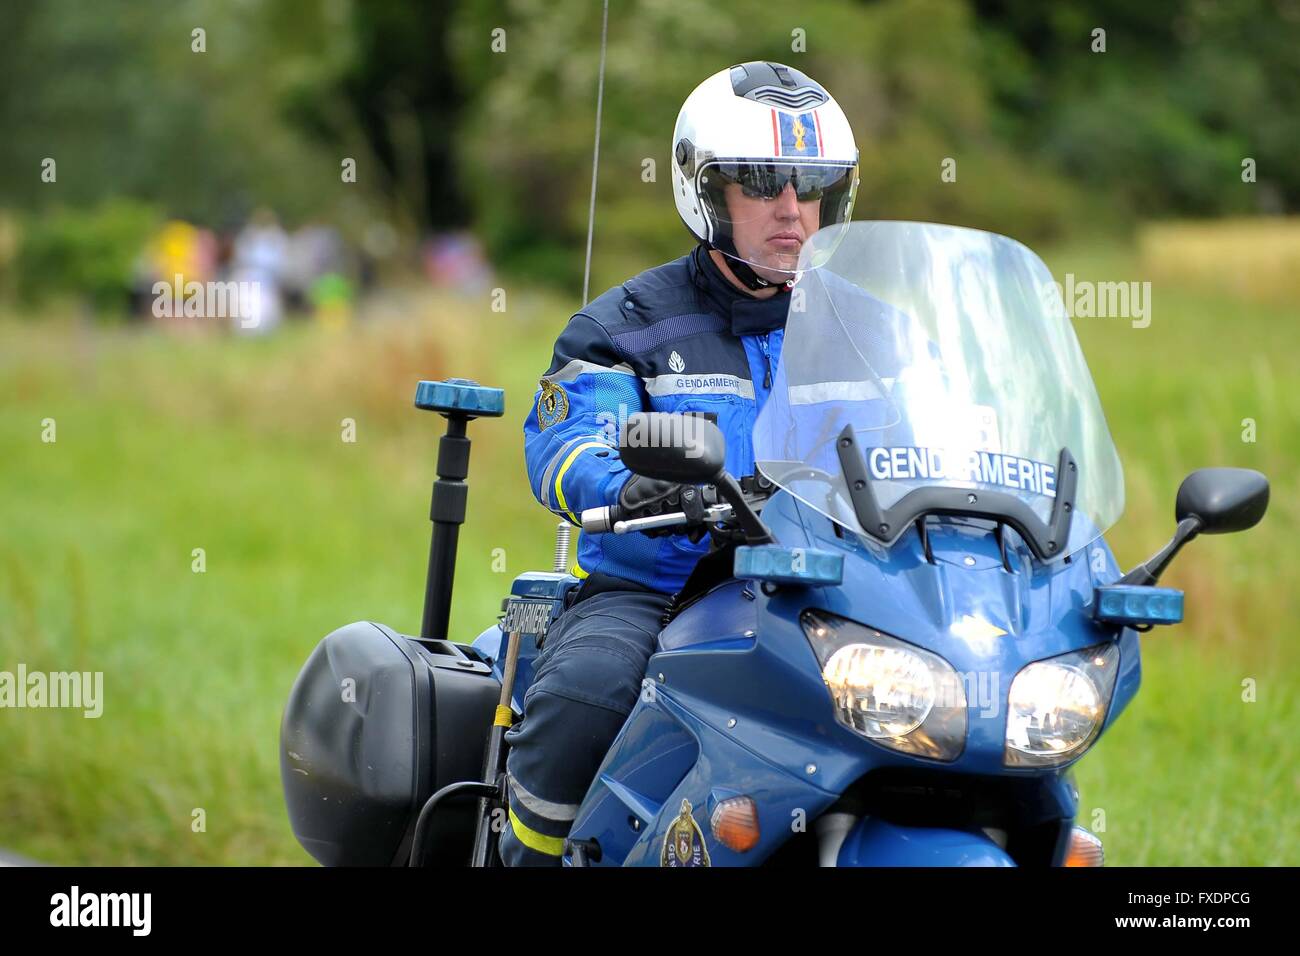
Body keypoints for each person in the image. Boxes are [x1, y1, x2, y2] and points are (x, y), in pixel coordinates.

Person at [500, 61, 860, 865]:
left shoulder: (876, 332)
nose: (793, 210)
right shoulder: (622, 324)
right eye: (764, 183)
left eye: (813, 186)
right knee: (585, 694)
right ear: (706, 190)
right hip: (663, 592)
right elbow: (565, 441)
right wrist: (627, 484)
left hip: (843, 595)